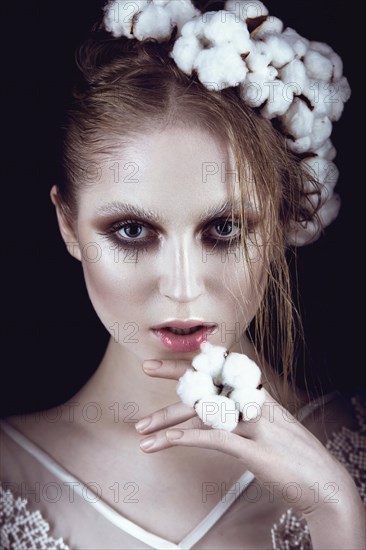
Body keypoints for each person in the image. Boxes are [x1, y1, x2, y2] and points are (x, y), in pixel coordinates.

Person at [1, 0, 365, 548]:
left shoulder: (356, 448)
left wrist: (337, 515)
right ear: (68, 225)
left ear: (285, 219)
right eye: (131, 231)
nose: (182, 287)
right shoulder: (9, 474)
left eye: (224, 230)